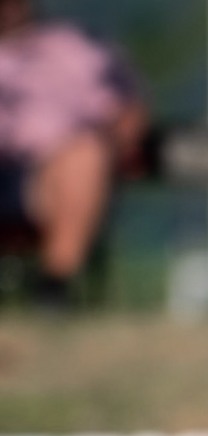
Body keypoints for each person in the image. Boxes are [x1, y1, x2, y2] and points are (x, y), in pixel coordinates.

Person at [0, 0, 147, 306]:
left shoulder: (75, 46)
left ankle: (54, 288)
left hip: (45, 172)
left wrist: (113, 145)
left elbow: (128, 111)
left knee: (86, 154)